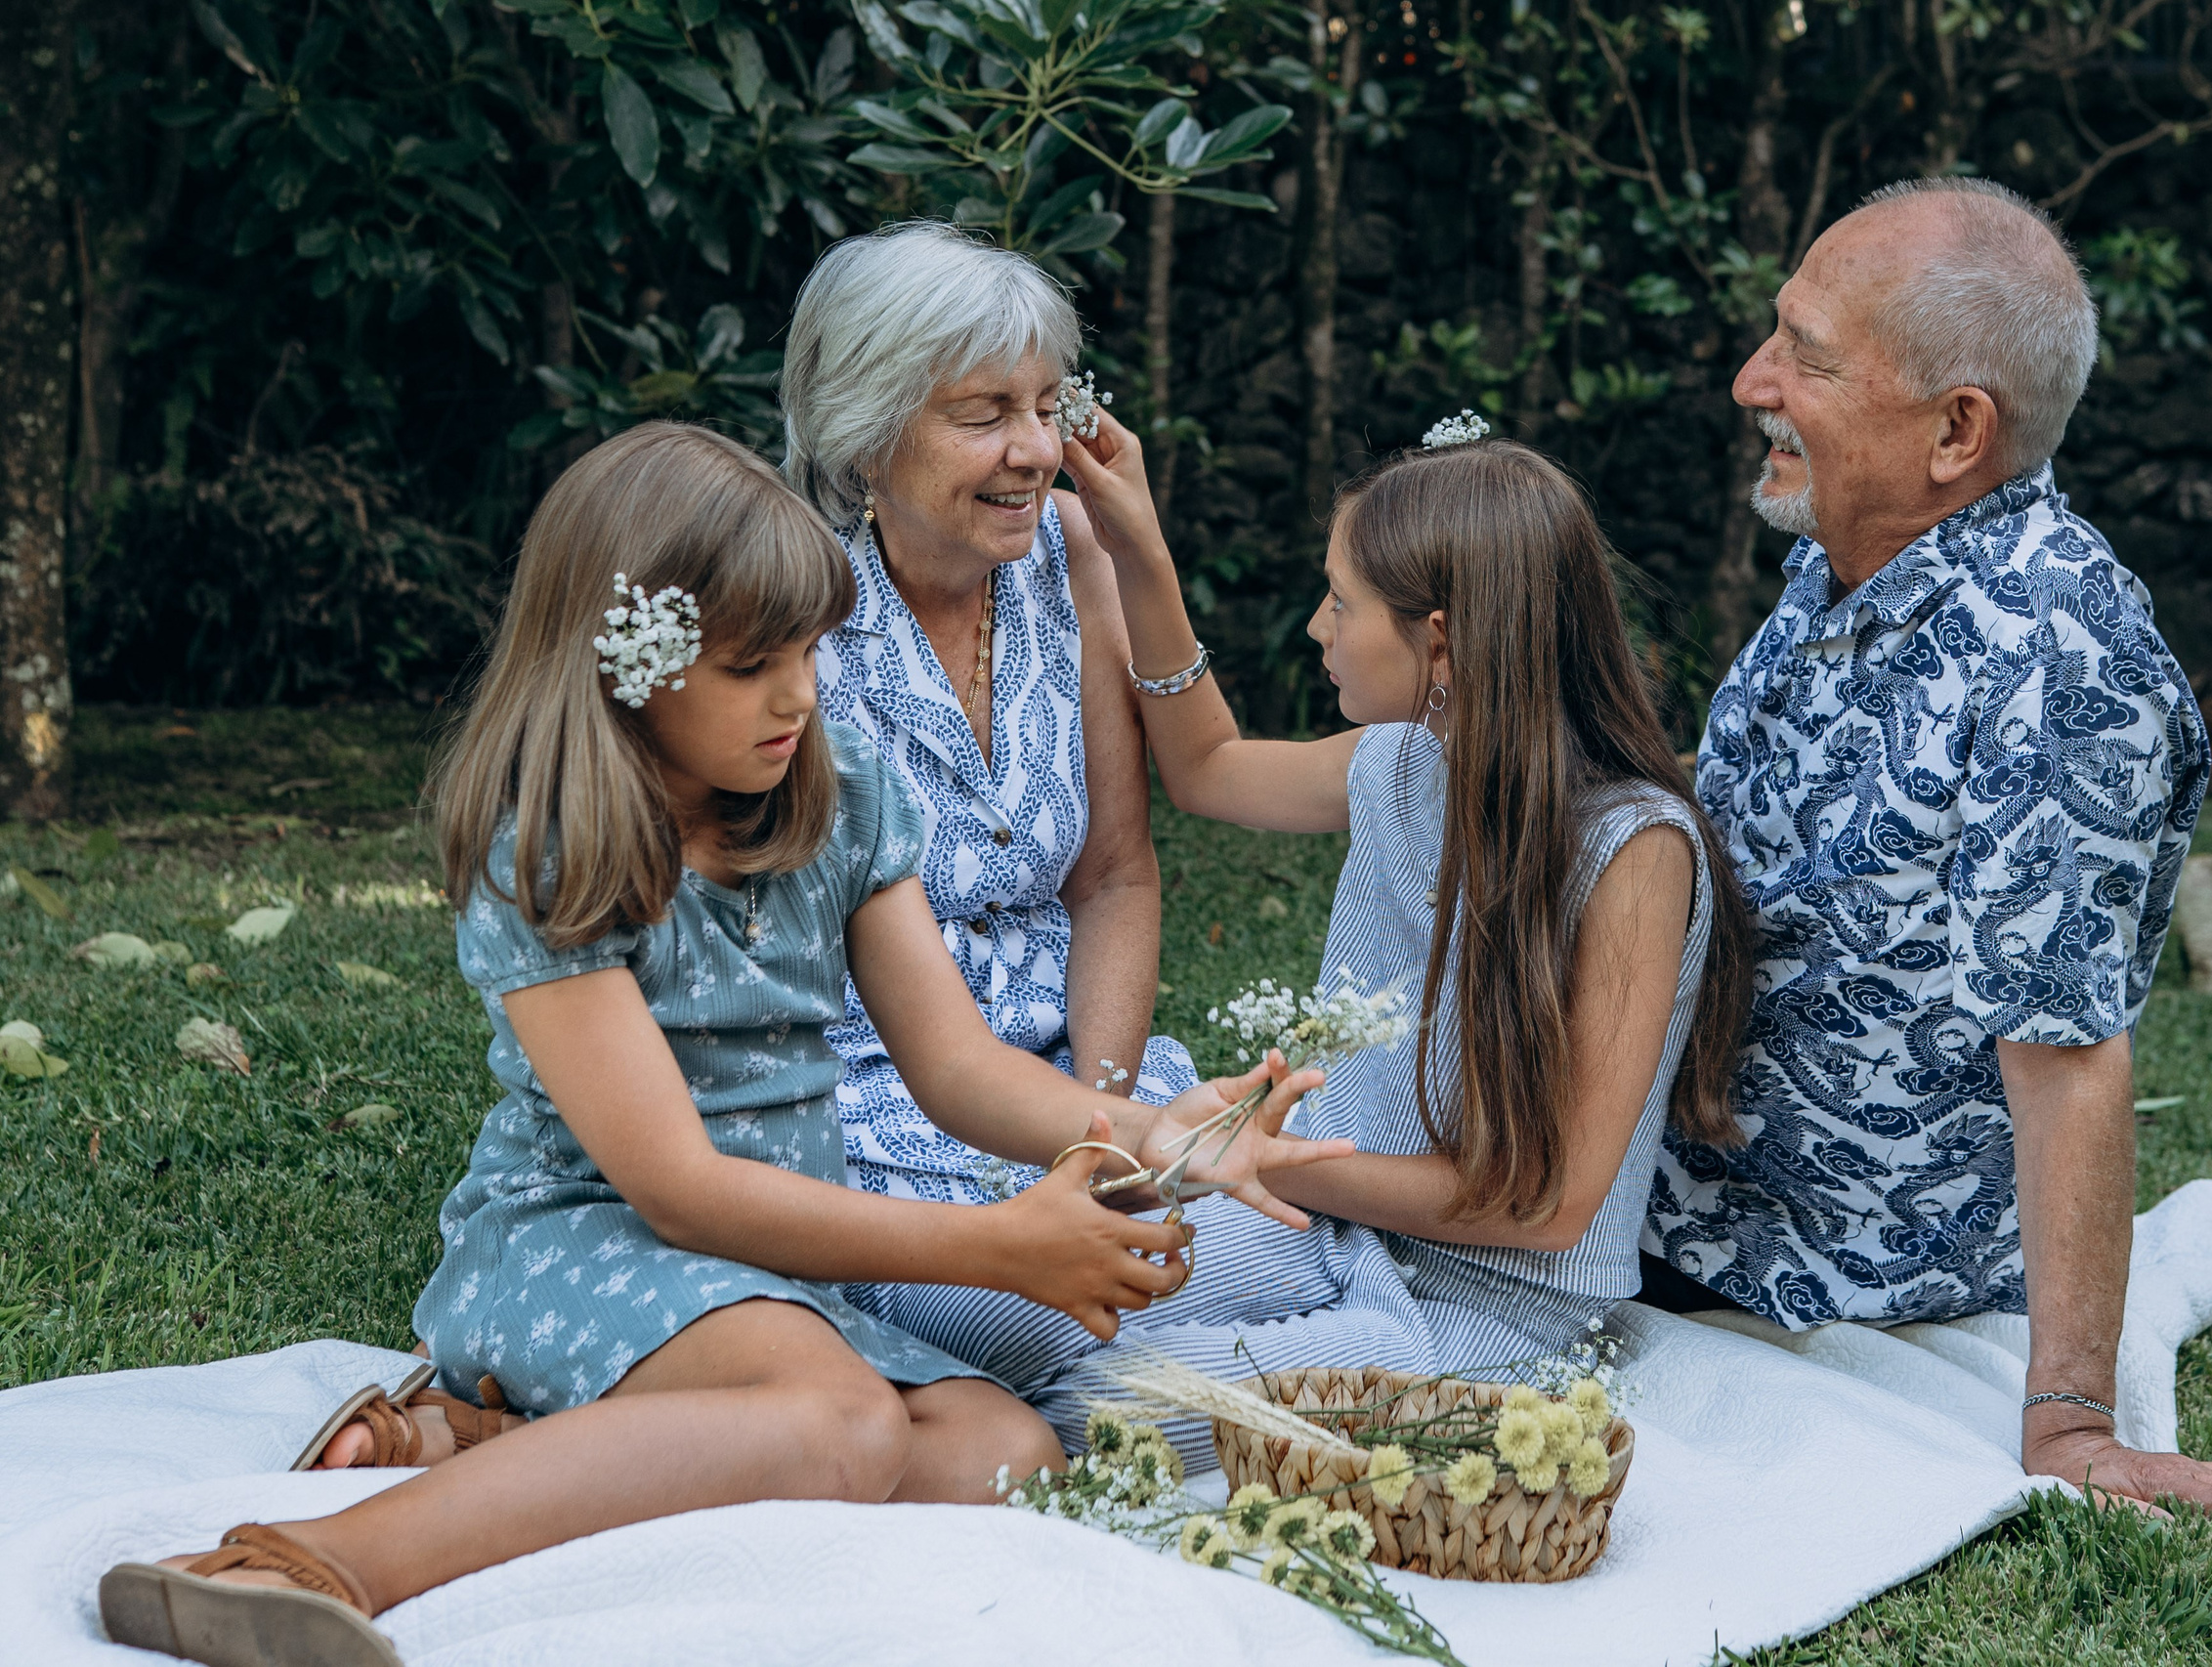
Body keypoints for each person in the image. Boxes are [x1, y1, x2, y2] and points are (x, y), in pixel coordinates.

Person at [97, 423, 1345, 1667]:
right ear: (625, 667)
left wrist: (1157, 1133)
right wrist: (994, 1247)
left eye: (808, 650)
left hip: (770, 1263)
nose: (800, 694)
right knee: (839, 1425)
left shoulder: (840, 794)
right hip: (580, 1238)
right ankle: (309, 1557)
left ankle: (487, 1441)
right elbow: (677, 1189)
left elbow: (958, 1067)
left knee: (1006, 1453)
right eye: (754, 665)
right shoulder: (557, 855)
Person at [1642, 176, 2212, 1527]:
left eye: (1806, 354)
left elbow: (2068, 1057)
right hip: (1673, 1189)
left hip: (1820, 1266)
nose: (1753, 379)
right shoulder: (1851, 555)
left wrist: (2072, 1422)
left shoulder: (2059, 664)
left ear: (1955, 432)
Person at [941, 412, 1756, 1468]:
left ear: (1440, 640)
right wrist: (1136, 544)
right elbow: (1208, 768)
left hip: (1481, 1308)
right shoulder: (1401, 758)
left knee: (1099, 1410)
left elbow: (1551, 1209)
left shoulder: (1633, 851)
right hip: (1323, 1224)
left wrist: (1263, 1162)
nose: (1316, 625)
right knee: (987, 1309)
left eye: (1341, 600)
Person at [782, 223, 1196, 1232]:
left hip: (1077, 1066)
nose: (1040, 451)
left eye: (1048, 407)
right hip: (866, 1097)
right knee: (1099, 1291)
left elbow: (1113, 875)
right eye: (984, 414)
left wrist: (1100, 1118)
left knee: (1292, 1234)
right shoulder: (786, 605)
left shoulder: (1074, 550)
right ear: (865, 431)